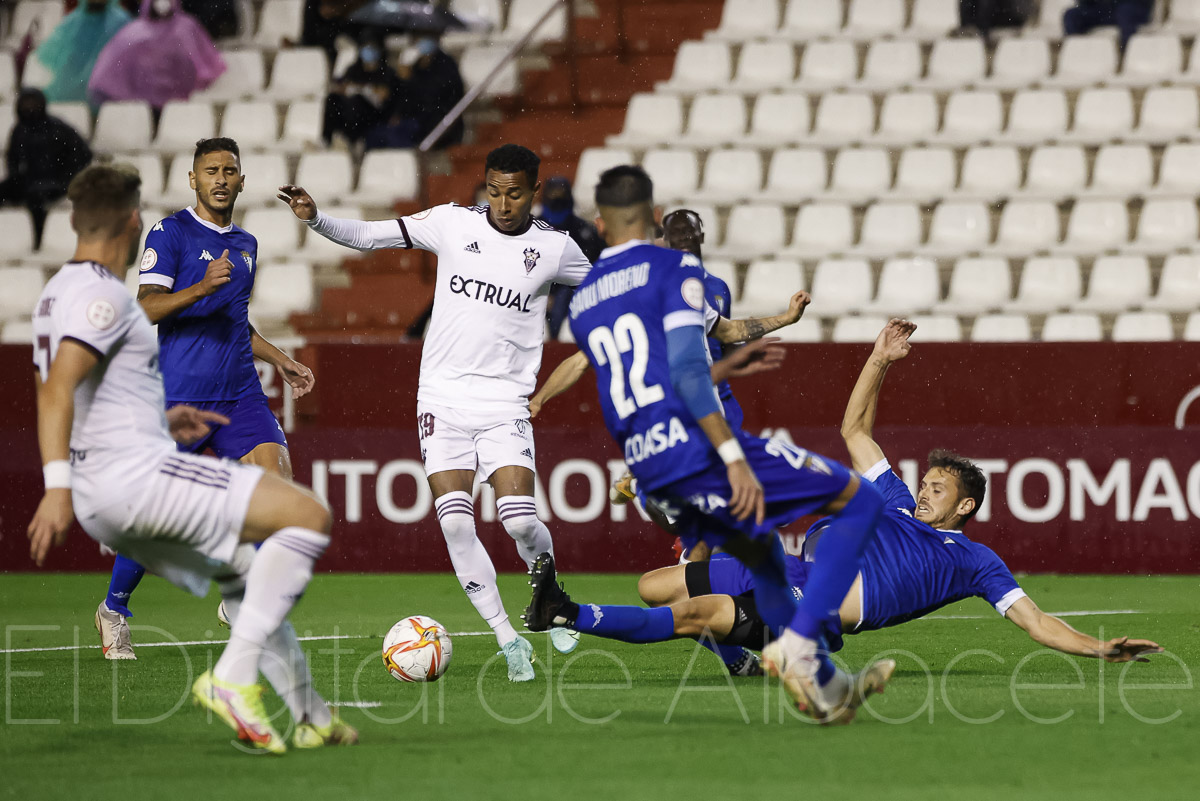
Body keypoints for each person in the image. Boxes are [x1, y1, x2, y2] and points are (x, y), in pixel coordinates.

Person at [526, 319, 1164, 673]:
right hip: (791, 568)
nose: (923, 491)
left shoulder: (976, 563)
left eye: (937, 489)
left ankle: (567, 613)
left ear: (964, 507)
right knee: (656, 586)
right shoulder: (890, 502)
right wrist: (880, 359)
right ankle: (749, 661)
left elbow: (1036, 622)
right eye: (924, 481)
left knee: (701, 613)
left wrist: (1101, 648)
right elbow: (854, 430)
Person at [27, 163, 353, 754]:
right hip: (128, 473)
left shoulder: (57, 294)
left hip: (169, 438)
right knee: (305, 518)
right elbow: (58, 387)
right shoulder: (109, 291)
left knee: (247, 575)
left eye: (231, 171)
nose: (222, 180)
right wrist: (56, 486)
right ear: (133, 222)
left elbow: (81, 381)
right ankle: (223, 675)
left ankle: (312, 717)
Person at [552, 164, 891, 725]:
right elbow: (687, 371)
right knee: (860, 501)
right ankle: (799, 645)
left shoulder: (584, 298)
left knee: (763, 559)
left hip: (652, 465)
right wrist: (732, 456)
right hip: (702, 450)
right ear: (656, 217)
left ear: (598, 221)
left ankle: (826, 689)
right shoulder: (676, 268)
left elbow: (630, 386)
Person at [279, 144, 592, 681]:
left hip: (504, 402)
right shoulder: (450, 223)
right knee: (454, 524)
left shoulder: (556, 249)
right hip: (442, 401)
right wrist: (317, 219)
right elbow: (371, 235)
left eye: (514, 192)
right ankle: (508, 639)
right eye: (493, 190)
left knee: (519, 522)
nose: (502, 202)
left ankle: (551, 592)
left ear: (534, 192)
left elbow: (612, 290)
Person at [94, 137, 316, 661]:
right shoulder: (169, 234)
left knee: (277, 495)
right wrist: (199, 287)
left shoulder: (247, 244)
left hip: (240, 393)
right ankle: (114, 609)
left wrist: (278, 357)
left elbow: (235, 320)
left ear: (241, 180)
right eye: (210, 170)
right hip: (182, 400)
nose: (220, 177)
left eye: (230, 170)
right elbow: (146, 308)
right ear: (193, 180)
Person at [88, 0, 226, 111]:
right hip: (142, 105)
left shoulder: (186, 27)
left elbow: (203, 63)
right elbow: (110, 66)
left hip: (178, 104)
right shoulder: (134, 32)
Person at [0, 88, 92, 248]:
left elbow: (84, 154)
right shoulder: (19, 130)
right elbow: (12, 159)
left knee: (36, 199)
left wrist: (67, 177)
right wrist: (16, 177)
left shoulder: (58, 128)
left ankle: (37, 241)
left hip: (56, 183)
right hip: (30, 181)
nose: (29, 108)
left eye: (33, 103)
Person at [540, 176, 604, 339]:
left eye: (560, 192)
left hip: (571, 293)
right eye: (553, 193)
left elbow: (589, 268)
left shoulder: (583, 229)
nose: (556, 197)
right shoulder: (533, 228)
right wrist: (544, 293)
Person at [33, 0, 132, 104]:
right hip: (71, 91)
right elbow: (49, 56)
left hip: (110, 93)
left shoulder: (121, 21)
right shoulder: (72, 22)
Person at [383, 36, 465, 150]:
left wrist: (410, 80)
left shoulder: (446, 64)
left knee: (401, 133)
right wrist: (402, 79)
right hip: (417, 119)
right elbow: (403, 99)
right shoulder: (414, 65)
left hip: (438, 120)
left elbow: (434, 95)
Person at [1063, 0, 1153, 49]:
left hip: (1131, 7)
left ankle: (1125, 54)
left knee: (1125, 13)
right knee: (1071, 15)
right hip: (1104, 10)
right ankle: (1076, 52)